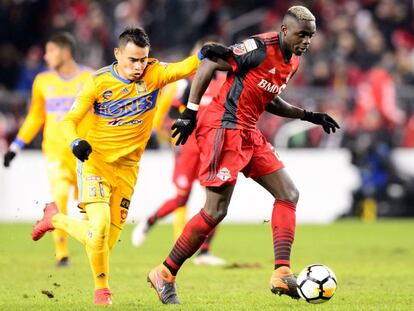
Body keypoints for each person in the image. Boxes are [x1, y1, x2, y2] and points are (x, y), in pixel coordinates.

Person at [147, 6, 340, 304]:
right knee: (215, 211)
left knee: (288, 193)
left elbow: (269, 98)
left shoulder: (294, 61)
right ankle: (165, 272)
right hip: (222, 126)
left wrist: (309, 115)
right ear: (285, 30)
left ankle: (281, 271)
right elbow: (210, 62)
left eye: (311, 36)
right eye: (302, 34)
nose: (307, 41)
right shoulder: (260, 47)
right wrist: (190, 112)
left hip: (248, 130)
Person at [30, 27, 228, 305]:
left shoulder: (154, 73)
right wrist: (75, 142)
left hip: (127, 171)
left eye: (143, 59)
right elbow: (69, 120)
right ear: (117, 54)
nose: (138, 66)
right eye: (132, 60)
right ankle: (103, 292)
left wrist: (202, 54)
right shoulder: (97, 82)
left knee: (103, 243)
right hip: (95, 164)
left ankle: (55, 219)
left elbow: (184, 68)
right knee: (97, 229)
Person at [132, 42, 227, 266]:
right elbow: (171, 113)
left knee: (216, 199)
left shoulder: (225, 83)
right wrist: (172, 138)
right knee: (181, 198)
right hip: (189, 148)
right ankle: (150, 221)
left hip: (212, 149)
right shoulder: (185, 85)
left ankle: (204, 253)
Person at [3, 32, 93, 267]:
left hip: (85, 155)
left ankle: (94, 247)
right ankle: (62, 254)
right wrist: (16, 146)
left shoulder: (89, 78)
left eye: (50, 50)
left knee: (91, 207)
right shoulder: (43, 81)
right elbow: (35, 117)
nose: (45, 55)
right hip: (55, 154)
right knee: (60, 197)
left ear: (65, 52)